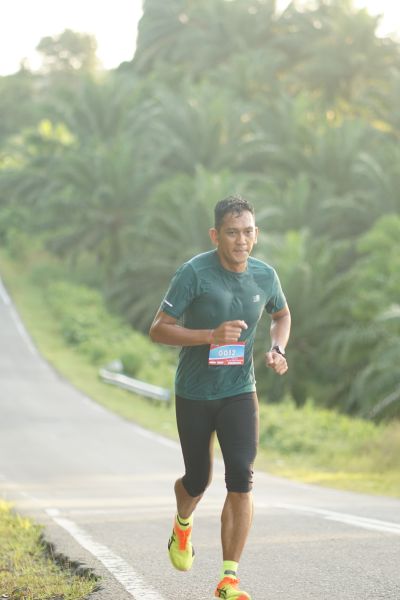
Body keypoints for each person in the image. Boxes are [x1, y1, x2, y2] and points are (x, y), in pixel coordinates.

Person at [149, 196, 291, 600]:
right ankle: (182, 524)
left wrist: (277, 348)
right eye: (232, 232)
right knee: (198, 479)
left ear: (256, 234)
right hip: (194, 393)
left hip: (239, 391)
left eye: (248, 232)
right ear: (216, 235)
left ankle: (229, 579)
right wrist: (209, 336)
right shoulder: (194, 273)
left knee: (241, 477)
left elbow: (281, 315)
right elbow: (158, 329)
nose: (241, 240)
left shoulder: (265, 276)